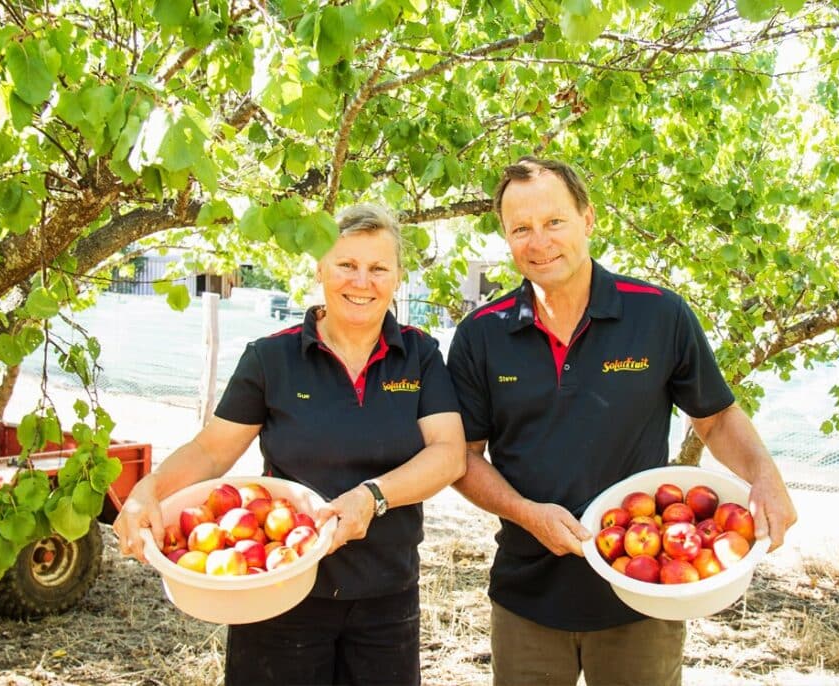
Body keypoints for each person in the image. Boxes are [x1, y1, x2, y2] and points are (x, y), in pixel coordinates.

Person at [446, 157, 798, 686]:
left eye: (554, 221)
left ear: (588, 218)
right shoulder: (481, 334)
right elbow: (462, 458)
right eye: (521, 228)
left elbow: (717, 417)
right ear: (505, 236)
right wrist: (525, 513)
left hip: (646, 593)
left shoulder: (659, 314)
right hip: (527, 596)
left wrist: (765, 478)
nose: (539, 241)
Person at [114, 203, 466, 686]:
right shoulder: (271, 357)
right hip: (277, 590)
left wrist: (372, 497)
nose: (361, 281)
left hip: (385, 596)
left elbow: (448, 453)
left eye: (378, 268)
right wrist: (147, 491)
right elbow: (212, 451)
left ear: (398, 277)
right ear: (320, 268)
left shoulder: (421, 354)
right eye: (346, 265)